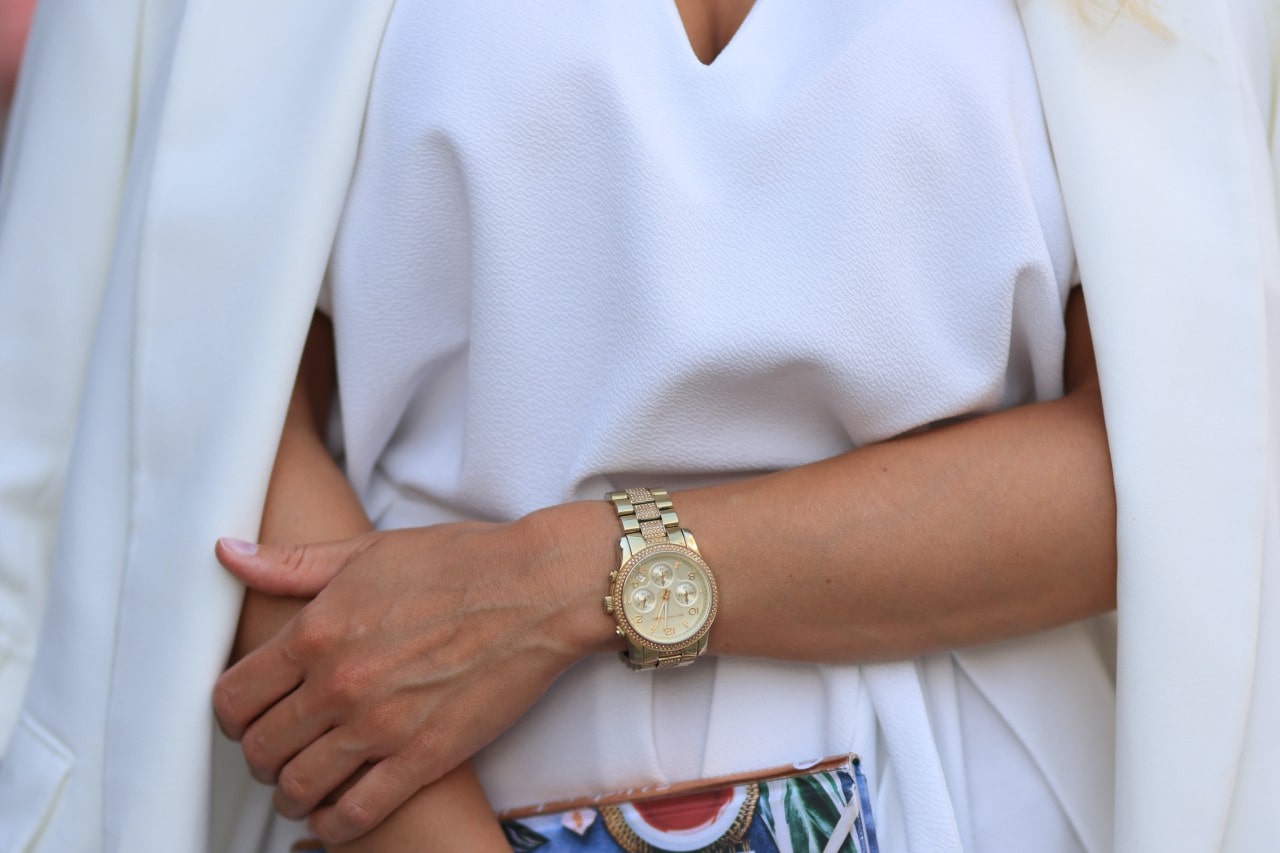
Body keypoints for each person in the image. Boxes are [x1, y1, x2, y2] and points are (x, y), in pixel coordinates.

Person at [0, 1, 1277, 852]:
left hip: (984, 797)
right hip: (407, 802)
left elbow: (1188, 453)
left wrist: (569, 579)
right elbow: (169, 388)